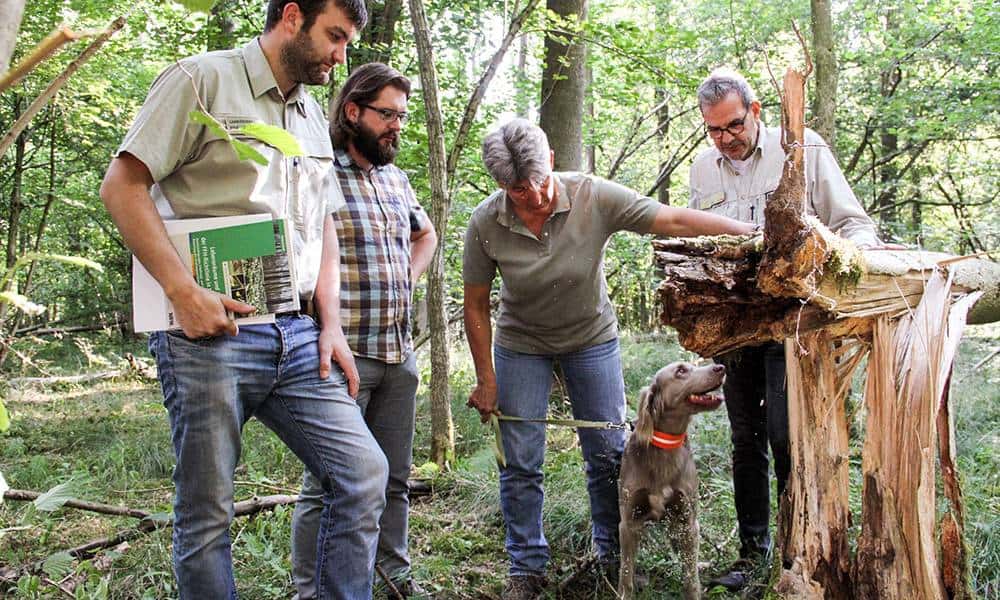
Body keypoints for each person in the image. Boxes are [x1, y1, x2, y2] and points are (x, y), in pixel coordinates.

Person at [99, 2, 389, 598]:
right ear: (291, 17)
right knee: (207, 514)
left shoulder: (309, 114)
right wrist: (181, 291)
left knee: (364, 473)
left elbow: (325, 226)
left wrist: (330, 324)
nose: (341, 56)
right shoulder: (201, 80)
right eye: (334, 36)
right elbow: (123, 186)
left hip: (298, 333)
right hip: (207, 337)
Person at [463, 118, 754, 600]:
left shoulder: (593, 196)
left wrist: (745, 232)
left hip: (590, 338)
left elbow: (671, 218)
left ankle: (612, 554)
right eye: (518, 191)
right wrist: (486, 378)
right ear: (501, 185)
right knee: (521, 461)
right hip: (521, 343)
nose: (532, 198)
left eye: (538, 184)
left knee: (606, 454)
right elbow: (475, 304)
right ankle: (527, 568)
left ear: (551, 161)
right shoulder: (485, 222)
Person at [688, 67, 885, 591]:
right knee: (744, 439)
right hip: (737, 326)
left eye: (733, 126)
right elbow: (695, 239)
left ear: (755, 111)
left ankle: (799, 551)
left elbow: (855, 223)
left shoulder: (803, 149)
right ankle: (752, 554)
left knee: (784, 435)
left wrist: (848, 267)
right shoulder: (703, 171)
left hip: (795, 322)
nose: (725, 139)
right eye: (714, 130)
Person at [290, 63, 437, 599]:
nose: (397, 125)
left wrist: (408, 278)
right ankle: (311, 587)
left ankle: (392, 575)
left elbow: (427, 235)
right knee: (331, 482)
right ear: (353, 112)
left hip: (399, 355)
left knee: (394, 478)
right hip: (343, 355)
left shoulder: (395, 179)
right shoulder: (318, 174)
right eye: (387, 114)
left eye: (402, 115)